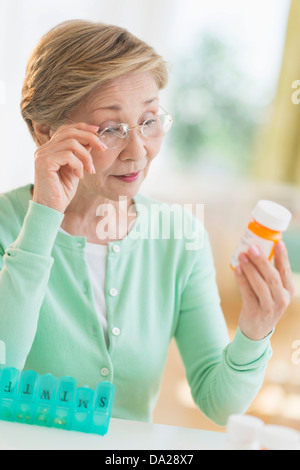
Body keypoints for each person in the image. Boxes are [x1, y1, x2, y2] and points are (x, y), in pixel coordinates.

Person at [0, 20, 295, 425]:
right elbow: (4, 369)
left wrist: (255, 332)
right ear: (47, 131)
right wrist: (45, 214)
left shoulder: (180, 235)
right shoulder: (6, 224)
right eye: (112, 128)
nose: (138, 151)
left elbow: (218, 402)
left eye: (150, 120)